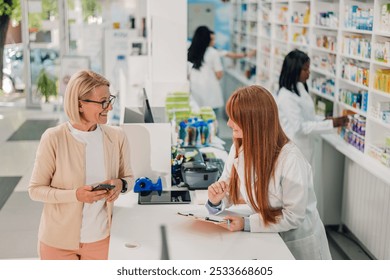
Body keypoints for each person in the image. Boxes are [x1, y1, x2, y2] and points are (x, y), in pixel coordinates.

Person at [206, 85, 332, 260]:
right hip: (265, 237)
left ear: (254, 121)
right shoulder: (239, 146)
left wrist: (248, 223)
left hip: (295, 243)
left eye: (234, 118)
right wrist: (214, 201)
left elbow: (293, 215)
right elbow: (226, 190)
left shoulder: (290, 159)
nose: (228, 123)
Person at [28, 70, 134, 260]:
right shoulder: (53, 138)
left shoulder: (116, 136)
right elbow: (35, 190)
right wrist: (76, 195)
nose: (109, 108)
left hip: (101, 240)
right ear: (79, 104)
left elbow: (128, 178)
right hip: (57, 243)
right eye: (103, 101)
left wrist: (120, 184)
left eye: (109, 100)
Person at [277, 49, 348, 164]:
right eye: (305, 69)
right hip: (293, 150)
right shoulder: (286, 96)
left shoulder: (300, 88)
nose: (308, 72)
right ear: (294, 70)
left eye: (308, 68)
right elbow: (299, 127)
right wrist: (331, 124)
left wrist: (327, 119)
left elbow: (308, 116)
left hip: (305, 148)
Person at [187, 25, 254, 117]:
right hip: (210, 93)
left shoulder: (190, 51)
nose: (213, 42)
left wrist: (245, 54)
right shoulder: (213, 52)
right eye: (212, 40)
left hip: (195, 92)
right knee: (212, 122)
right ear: (206, 39)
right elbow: (219, 74)